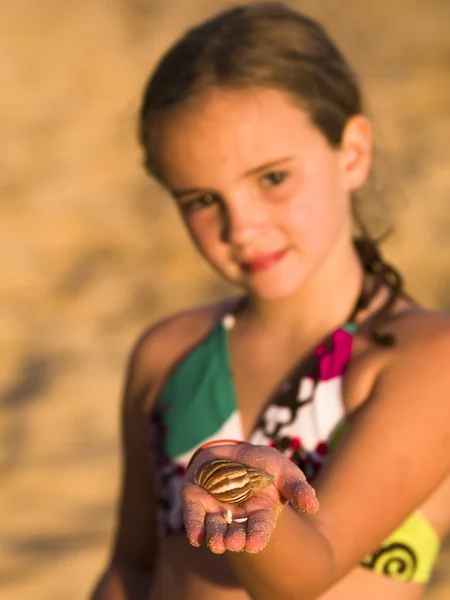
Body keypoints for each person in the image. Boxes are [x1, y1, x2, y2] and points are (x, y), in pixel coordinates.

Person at [90, 3, 450, 599]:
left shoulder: (423, 361)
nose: (242, 226)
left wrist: (242, 493)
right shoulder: (167, 355)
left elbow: (310, 569)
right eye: (202, 199)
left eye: (273, 179)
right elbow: (131, 567)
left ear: (352, 152)